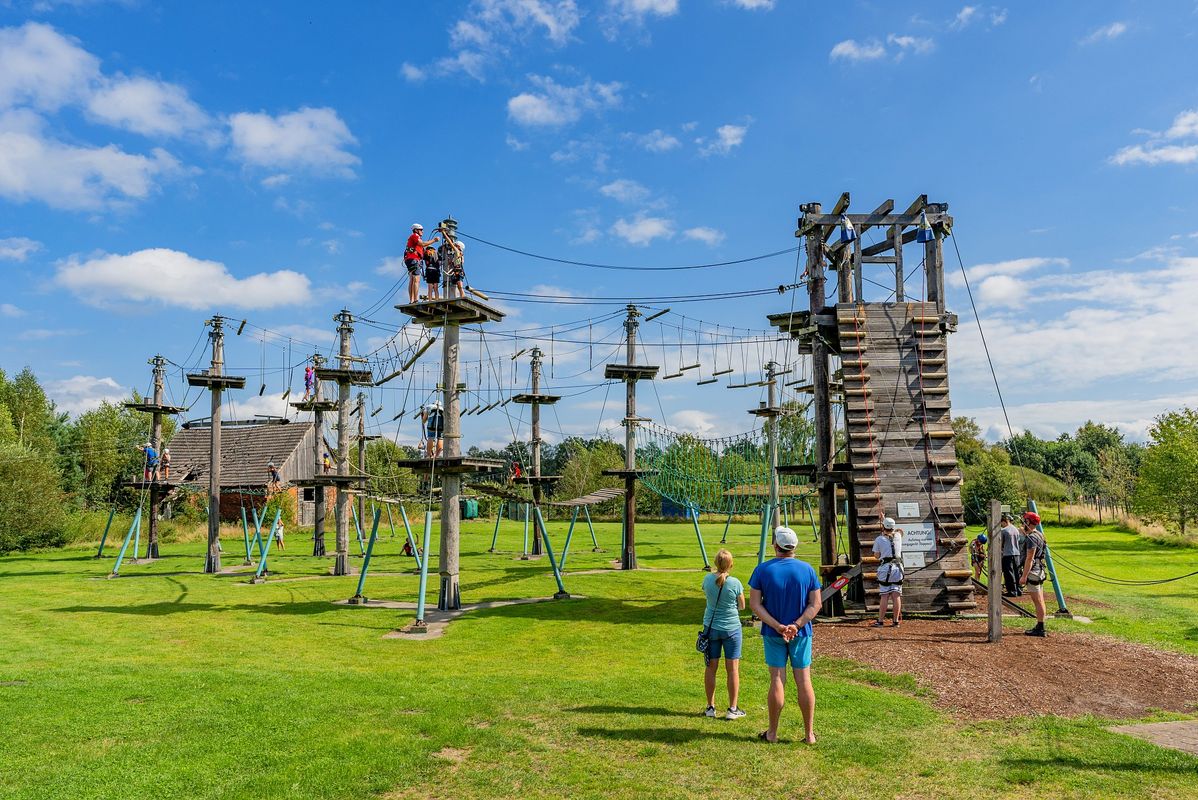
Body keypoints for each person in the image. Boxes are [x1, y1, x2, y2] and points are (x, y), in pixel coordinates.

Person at [748, 526, 822, 745]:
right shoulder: (807, 570)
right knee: (804, 680)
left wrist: (778, 626)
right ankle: (809, 734)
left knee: (777, 679)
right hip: (801, 634)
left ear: (775, 545)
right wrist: (796, 625)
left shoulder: (762, 570)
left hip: (773, 633)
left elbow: (755, 605)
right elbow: (815, 604)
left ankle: (772, 733)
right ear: (794, 547)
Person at [700, 548, 747, 720]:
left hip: (711, 628)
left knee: (711, 668)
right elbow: (742, 606)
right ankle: (732, 709)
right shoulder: (735, 583)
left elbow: (707, 592)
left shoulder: (707, 579)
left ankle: (710, 707)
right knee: (732, 669)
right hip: (732, 629)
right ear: (731, 564)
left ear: (715, 563)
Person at [1019, 511, 1049, 637]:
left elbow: (1029, 558)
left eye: (1025, 521)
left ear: (1028, 522)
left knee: (1037, 601)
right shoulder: (1039, 535)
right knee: (1040, 600)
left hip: (1033, 572)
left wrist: (1024, 576)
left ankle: (1041, 627)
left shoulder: (1031, 538)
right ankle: (1040, 625)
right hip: (1039, 570)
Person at [871, 517, 904, 628]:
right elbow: (898, 532)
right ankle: (895, 621)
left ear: (883, 526)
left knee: (884, 595)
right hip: (898, 568)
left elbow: (877, 556)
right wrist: (884, 519)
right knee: (896, 594)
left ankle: (880, 621)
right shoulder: (898, 536)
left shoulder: (879, 539)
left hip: (885, 568)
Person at [405, 223, 440, 304]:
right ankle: (415, 300)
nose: (422, 231)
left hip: (410, 259)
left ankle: (412, 300)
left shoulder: (413, 239)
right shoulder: (415, 236)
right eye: (421, 230)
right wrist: (434, 240)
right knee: (416, 280)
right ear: (416, 230)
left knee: (412, 279)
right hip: (414, 259)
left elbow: (422, 248)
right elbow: (423, 243)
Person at [999, 512, 1022, 597]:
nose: (1001, 525)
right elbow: (1018, 540)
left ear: (1004, 521)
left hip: (1007, 554)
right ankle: (1019, 589)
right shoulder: (1016, 529)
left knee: (1008, 573)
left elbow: (1001, 543)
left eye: (1001, 523)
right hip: (1017, 553)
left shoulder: (1004, 531)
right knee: (1017, 572)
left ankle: (1012, 591)